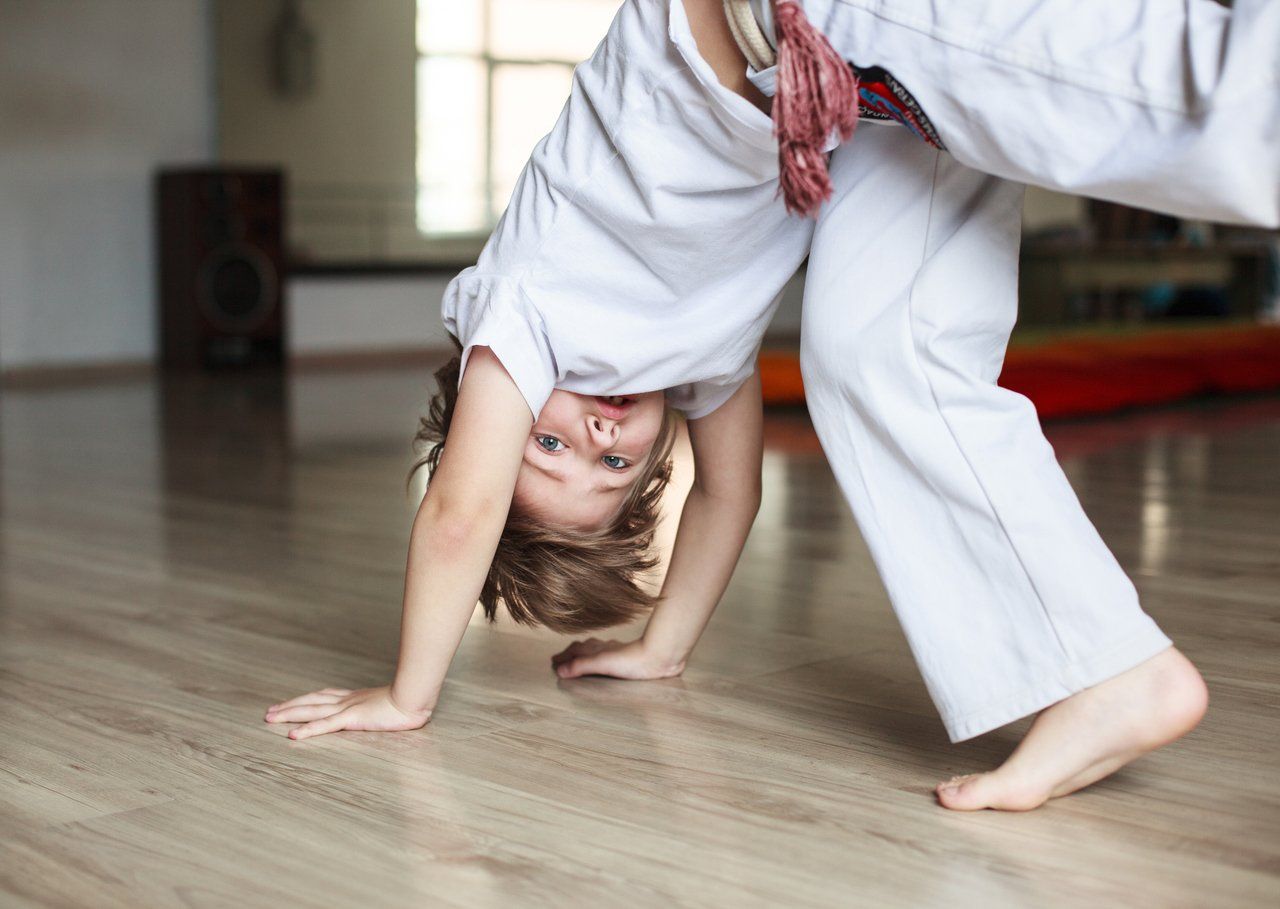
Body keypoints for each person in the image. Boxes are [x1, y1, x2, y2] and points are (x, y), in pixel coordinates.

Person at [267, 0, 1269, 811]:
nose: (598, 436)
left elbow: (460, 516)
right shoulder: (697, 362)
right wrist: (663, 644)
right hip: (848, 105)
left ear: (488, 424)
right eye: (612, 466)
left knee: (1191, 106)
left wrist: (409, 694)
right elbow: (727, 496)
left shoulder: (520, 316)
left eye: (546, 444)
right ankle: (1101, 670)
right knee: (877, 354)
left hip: (794, 23)